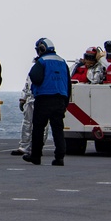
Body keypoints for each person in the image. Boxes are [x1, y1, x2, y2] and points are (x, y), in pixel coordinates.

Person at [23, 37, 71, 167]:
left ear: (41, 49)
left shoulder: (42, 61)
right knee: (58, 129)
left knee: (38, 128)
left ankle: (36, 156)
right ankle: (60, 157)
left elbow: (35, 77)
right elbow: (68, 83)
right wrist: (65, 101)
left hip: (44, 98)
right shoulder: (62, 62)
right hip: (60, 99)